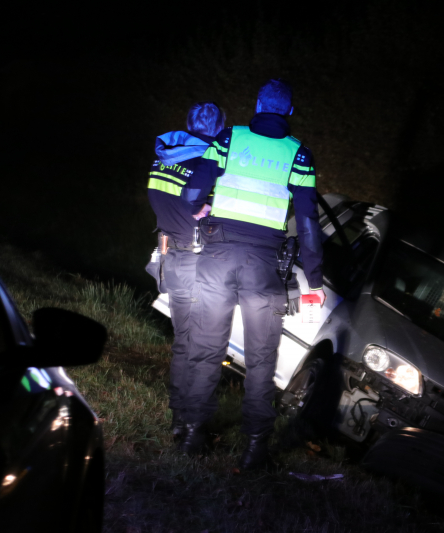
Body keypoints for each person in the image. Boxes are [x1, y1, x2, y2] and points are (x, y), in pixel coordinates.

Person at [179, 79, 325, 468]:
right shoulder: (300, 156)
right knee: (262, 360)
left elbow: (193, 193)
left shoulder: (228, 139)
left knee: (207, 347)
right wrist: (315, 278)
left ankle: (193, 434)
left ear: (258, 104)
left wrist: (200, 209)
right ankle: (255, 449)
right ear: (289, 112)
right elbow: (309, 221)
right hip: (264, 267)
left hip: (217, 256)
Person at [146, 102, 225, 442]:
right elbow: (203, 209)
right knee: (204, 347)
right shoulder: (206, 162)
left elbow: (163, 200)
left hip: (171, 258)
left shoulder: (164, 156)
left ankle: (179, 416)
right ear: (219, 128)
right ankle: (191, 425)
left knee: (184, 343)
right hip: (197, 262)